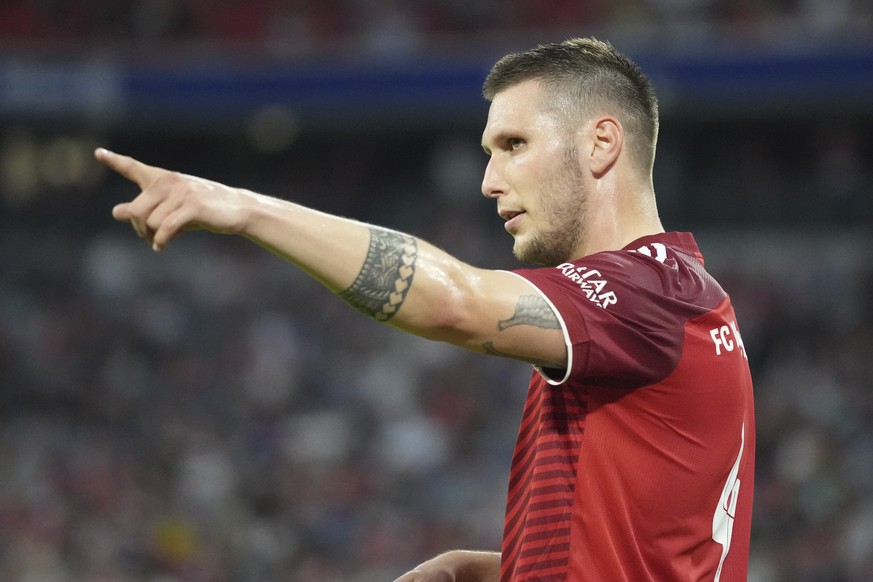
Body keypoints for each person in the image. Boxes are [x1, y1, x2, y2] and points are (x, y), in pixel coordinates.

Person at [96, 37, 755, 582]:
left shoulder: (646, 294)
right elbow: (651, 556)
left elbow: (452, 303)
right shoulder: (679, 303)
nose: (488, 181)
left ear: (601, 143)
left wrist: (244, 209)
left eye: (514, 144)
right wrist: (487, 572)